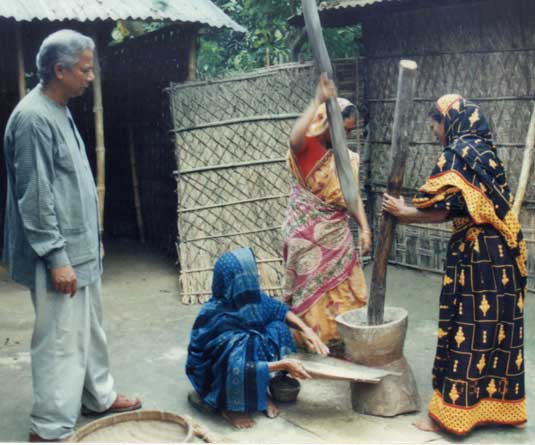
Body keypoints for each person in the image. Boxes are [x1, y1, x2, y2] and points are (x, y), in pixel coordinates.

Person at [3, 30, 141, 442]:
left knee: (90, 331)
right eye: (84, 70)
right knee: (60, 340)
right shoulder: (32, 118)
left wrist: (91, 241)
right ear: (59, 70)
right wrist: (57, 257)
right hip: (59, 255)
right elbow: (36, 198)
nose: (90, 77)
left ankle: (98, 395)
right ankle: (48, 427)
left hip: (80, 248)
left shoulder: (59, 108)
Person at [382, 94, 527, 436]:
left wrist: (405, 213)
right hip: (502, 254)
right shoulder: (485, 153)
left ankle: (448, 416)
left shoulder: (458, 152)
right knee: (496, 330)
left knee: (469, 329)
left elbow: (448, 208)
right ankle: (495, 409)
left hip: (479, 255)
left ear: (448, 121)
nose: (434, 132)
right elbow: (465, 205)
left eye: (434, 124)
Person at [186, 247, 328, 429]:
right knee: (242, 350)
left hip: (241, 360)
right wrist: (283, 364)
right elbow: (236, 366)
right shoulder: (216, 317)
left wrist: (306, 330)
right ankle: (231, 408)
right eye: (247, 276)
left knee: (279, 328)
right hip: (214, 375)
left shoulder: (247, 297)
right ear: (231, 282)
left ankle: (260, 392)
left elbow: (279, 310)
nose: (255, 277)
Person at [282, 73, 371, 351]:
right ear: (326, 123)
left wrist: (365, 228)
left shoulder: (346, 159)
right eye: (343, 129)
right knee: (310, 292)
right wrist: (318, 99)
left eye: (350, 132)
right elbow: (294, 138)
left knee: (345, 285)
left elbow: (352, 196)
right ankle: (311, 343)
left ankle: (340, 339)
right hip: (305, 237)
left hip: (336, 233)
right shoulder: (308, 149)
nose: (346, 136)